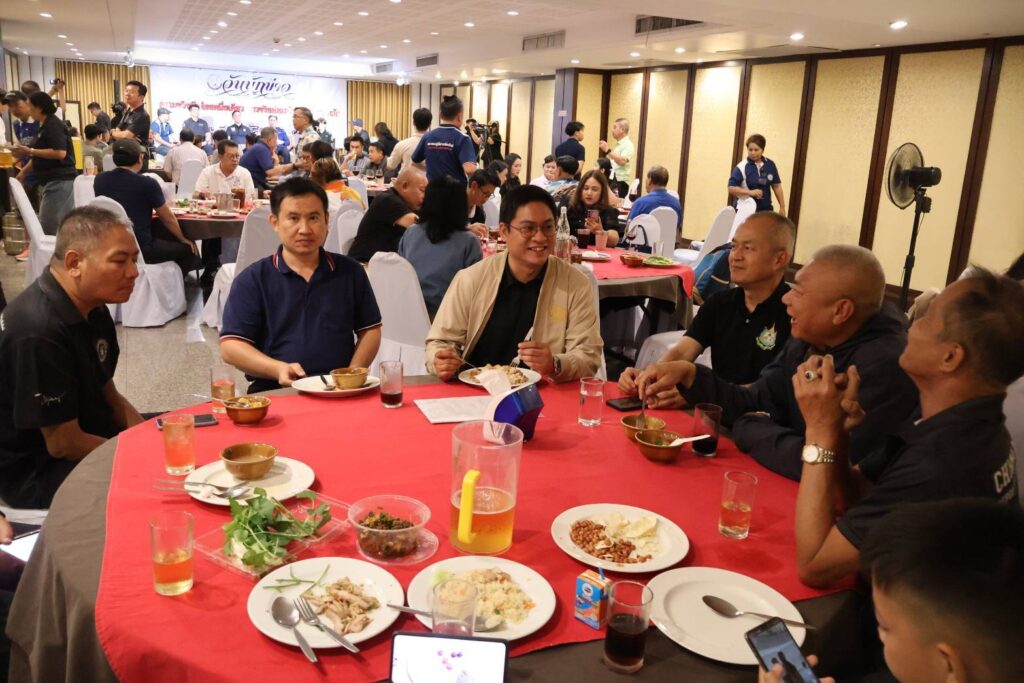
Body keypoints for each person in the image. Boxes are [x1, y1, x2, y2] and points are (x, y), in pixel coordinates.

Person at [788, 269, 1021, 587]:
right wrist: (838, 434)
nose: (912, 323)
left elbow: (814, 566)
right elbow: (857, 499)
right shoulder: (969, 423)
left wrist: (818, 429)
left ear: (950, 356)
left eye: (928, 317)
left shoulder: (945, 461)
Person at [636, 245, 918, 481]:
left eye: (799, 292)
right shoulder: (809, 339)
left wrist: (749, 427)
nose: (786, 298)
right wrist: (692, 375)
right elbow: (756, 399)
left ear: (841, 311)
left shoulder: (884, 366)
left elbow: (828, 467)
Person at [0, 207, 144, 508]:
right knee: (156, 486)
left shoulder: (93, 306)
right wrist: (138, 456)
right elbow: (62, 443)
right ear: (74, 263)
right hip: (37, 469)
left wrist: (148, 440)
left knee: (179, 431)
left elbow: (108, 393)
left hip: (88, 432)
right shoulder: (38, 330)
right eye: (120, 261)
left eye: (134, 260)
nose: (133, 272)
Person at [426, 185, 603, 382]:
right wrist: (441, 360)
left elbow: (588, 355)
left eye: (548, 227)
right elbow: (440, 342)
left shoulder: (574, 284)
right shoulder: (471, 279)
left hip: (542, 394)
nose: (540, 237)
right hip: (475, 389)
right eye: (528, 228)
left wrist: (555, 364)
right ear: (504, 231)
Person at [220, 178, 382, 393]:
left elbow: (370, 329)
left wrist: (352, 375)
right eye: (293, 218)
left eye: (313, 218)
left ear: (326, 220)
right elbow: (231, 346)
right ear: (275, 222)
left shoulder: (350, 271)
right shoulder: (253, 279)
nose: (304, 229)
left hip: (340, 390)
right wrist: (276, 368)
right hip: (276, 389)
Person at [621, 213, 793, 404]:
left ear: (779, 259)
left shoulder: (794, 315)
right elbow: (682, 352)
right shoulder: (720, 303)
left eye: (748, 248)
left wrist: (701, 394)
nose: (735, 256)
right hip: (713, 410)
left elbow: (773, 390)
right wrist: (648, 376)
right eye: (734, 246)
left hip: (762, 415)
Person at [94, 139, 200, 275]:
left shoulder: (100, 180)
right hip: (140, 247)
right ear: (140, 158)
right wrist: (183, 239)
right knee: (189, 249)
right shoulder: (147, 183)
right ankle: (167, 284)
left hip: (109, 244)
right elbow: (167, 218)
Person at [398, 175, 484, 317]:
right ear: (460, 205)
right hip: (448, 318)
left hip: (410, 313)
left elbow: (401, 272)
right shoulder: (469, 241)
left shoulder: (411, 232)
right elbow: (476, 290)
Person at [11, 92, 77, 237]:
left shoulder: (53, 124)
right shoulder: (44, 125)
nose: (29, 110)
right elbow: (39, 156)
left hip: (60, 180)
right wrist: (24, 171)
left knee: (49, 226)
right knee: (51, 224)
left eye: (31, 107)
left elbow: (60, 153)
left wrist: (30, 150)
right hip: (51, 181)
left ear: (39, 108)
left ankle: (55, 250)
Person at [347, 167, 427, 263]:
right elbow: (421, 227)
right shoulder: (387, 200)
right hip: (364, 264)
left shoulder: (409, 204)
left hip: (384, 263)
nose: (424, 196)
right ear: (405, 186)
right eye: (422, 190)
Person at [411, 95, 478, 182]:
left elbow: (415, 161)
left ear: (440, 115)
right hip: (455, 188)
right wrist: (477, 167)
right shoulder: (463, 138)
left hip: (432, 187)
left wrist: (432, 168)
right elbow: (470, 169)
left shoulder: (428, 136)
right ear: (460, 116)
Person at [557, 169, 621, 248]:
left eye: (594, 189)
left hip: (595, 253)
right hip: (569, 249)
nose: (589, 193)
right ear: (580, 189)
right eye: (585, 188)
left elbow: (614, 241)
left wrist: (600, 231)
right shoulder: (568, 204)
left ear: (602, 192)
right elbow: (555, 226)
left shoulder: (608, 210)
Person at [730, 134, 786, 215]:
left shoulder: (770, 164)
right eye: (750, 150)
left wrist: (782, 207)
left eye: (756, 150)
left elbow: (776, 186)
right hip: (746, 211)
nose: (753, 153)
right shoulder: (741, 166)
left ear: (762, 150)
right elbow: (731, 188)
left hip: (765, 211)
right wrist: (750, 192)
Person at [109, 81, 151, 170]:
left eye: (131, 92)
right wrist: (116, 133)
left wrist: (114, 133)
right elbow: (118, 130)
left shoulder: (142, 115)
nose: (127, 94)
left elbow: (126, 135)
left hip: (137, 157)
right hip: (125, 154)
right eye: (126, 91)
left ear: (141, 97)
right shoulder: (128, 112)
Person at [627, 165, 683, 231]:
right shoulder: (676, 203)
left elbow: (629, 227)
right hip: (669, 238)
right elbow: (678, 225)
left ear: (650, 181)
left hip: (644, 238)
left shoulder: (640, 202)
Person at [387, 107, 431, 174]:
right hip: (428, 180)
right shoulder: (435, 145)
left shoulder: (402, 144)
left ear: (413, 123)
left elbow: (390, 165)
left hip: (406, 179)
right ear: (430, 124)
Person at [599, 117, 634, 198]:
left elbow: (622, 161)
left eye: (615, 127)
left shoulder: (628, 145)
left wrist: (607, 150)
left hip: (620, 182)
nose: (612, 130)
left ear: (622, 130)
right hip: (613, 179)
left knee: (617, 204)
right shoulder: (619, 145)